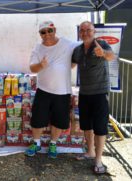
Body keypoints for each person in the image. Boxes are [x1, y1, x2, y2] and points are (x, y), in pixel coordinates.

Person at [25, 21, 78, 158]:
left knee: (59, 120)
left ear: (54, 30)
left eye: (50, 30)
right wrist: (41, 65)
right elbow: (32, 68)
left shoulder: (67, 43)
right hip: (43, 90)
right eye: (43, 32)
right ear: (40, 34)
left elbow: (83, 48)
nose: (47, 34)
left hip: (63, 91)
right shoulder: (38, 48)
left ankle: (53, 144)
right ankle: (36, 143)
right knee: (37, 119)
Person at [72, 21, 115, 174]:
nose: (85, 33)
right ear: (79, 33)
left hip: (100, 93)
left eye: (88, 30)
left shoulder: (101, 43)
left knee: (100, 128)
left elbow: (111, 56)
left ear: (94, 31)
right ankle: (89, 152)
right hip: (84, 93)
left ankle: (98, 160)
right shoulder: (77, 50)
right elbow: (70, 64)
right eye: (82, 30)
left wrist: (103, 53)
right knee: (86, 126)